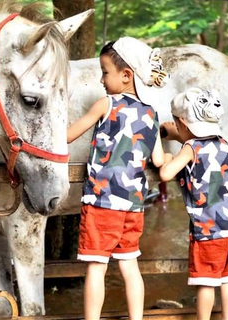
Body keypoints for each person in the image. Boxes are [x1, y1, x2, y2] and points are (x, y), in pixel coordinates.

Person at [67, 37, 169, 320]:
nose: (101, 79)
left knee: (96, 268)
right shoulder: (151, 114)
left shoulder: (106, 104)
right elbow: (159, 161)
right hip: (133, 205)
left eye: (105, 71)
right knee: (130, 266)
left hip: (101, 202)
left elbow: (66, 136)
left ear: (126, 75)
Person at [159, 87, 228, 320]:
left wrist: (167, 157)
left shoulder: (189, 148)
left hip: (208, 231)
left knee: (206, 282)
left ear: (183, 123)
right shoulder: (223, 143)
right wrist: (177, 135)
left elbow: (166, 174)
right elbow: (201, 148)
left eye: (176, 124)